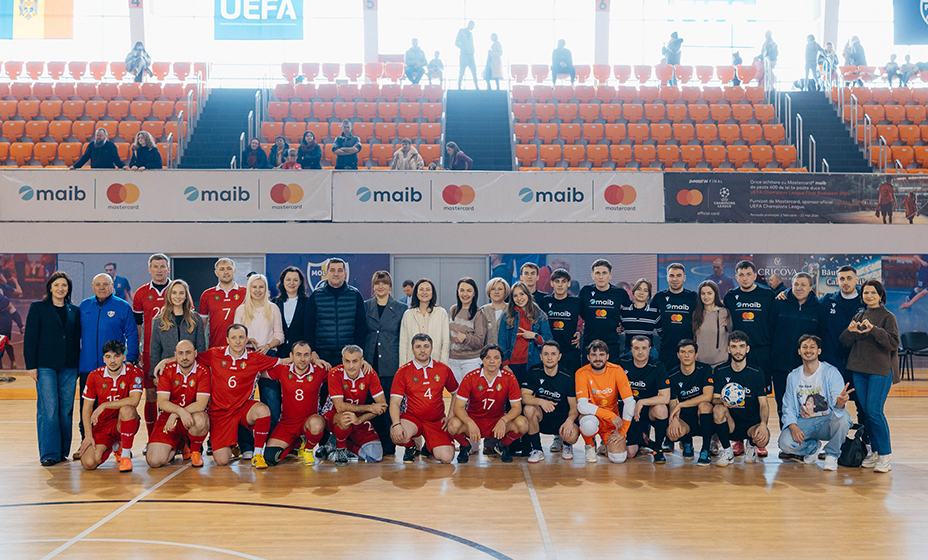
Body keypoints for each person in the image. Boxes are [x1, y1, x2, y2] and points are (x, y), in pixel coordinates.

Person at [156, 323, 284, 468]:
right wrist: (166, 361)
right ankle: (232, 444)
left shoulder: (255, 357)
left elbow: (281, 362)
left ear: (246, 339)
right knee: (221, 461)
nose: (237, 341)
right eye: (233, 337)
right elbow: (190, 357)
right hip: (220, 413)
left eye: (241, 337)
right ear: (227, 339)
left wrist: (303, 360)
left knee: (263, 410)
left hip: (242, 408)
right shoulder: (214, 354)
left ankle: (258, 454)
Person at [839, 280, 899, 474]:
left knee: (874, 412)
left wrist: (874, 329)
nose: (869, 296)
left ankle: (885, 455)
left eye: (873, 292)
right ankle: (874, 451)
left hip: (880, 370)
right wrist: (850, 331)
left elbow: (893, 343)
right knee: (867, 414)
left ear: (880, 295)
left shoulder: (888, 317)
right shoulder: (859, 315)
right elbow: (845, 341)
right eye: (866, 292)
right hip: (859, 370)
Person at [24, 272, 81, 466]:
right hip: (45, 365)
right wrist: (31, 365)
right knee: (49, 409)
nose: (60, 289)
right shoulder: (38, 308)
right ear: (50, 287)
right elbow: (30, 338)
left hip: (69, 366)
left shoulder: (74, 310)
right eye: (56, 285)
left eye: (64, 285)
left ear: (68, 289)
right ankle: (49, 453)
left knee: (65, 410)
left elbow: (76, 339)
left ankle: (62, 452)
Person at [77, 273, 138, 454]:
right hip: (88, 367)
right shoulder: (84, 306)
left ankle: (121, 443)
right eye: (98, 284)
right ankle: (86, 442)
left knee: (118, 407)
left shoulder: (123, 306)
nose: (102, 287)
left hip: (115, 369)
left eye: (106, 284)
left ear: (112, 285)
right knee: (86, 407)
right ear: (92, 286)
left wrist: (131, 358)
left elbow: (132, 334)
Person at [778, 334, 853, 471]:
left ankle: (832, 454)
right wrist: (793, 426)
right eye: (804, 347)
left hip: (826, 421)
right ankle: (812, 448)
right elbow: (788, 405)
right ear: (799, 351)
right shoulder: (793, 376)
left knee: (843, 419)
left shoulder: (831, 372)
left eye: (812, 347)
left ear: (819, 351)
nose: (808, 350)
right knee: (785, 443)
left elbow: (838, 405)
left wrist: (840, 402)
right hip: (804, 422)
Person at [448, 344, 527, 462]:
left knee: (523, 423)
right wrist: (469, 422)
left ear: (501, 361)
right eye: (488, 357)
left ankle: (503, 445)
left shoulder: (509, 377)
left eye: (496, 358)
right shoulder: (471, 377)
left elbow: (517, 408)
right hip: (474, 421)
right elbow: (458, 407)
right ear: (482, 360)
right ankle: (465, 446)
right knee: (452, 425)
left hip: (497, 422)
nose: (492, 361)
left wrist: (504, 420)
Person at [390, 334, 460, 464]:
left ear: (431, 348)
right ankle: (410, 447)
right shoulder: (403, 371)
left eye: (426, 346)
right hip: (412, 419)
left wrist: (450, 416)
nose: (422, 350)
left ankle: (429, 447)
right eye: (418, 347)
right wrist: (396, 424)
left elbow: (456, 393)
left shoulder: (443, 369)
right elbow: (394, 402)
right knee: (398, 434)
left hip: (435, 420)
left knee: (446, 458)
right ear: (412, 349)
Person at [768, 272, 826, 428]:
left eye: (803, 285)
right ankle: (787, 437)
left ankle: (806, 438)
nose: (799, 288)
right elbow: (770, 331)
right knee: (783, 405)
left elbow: (821, 338)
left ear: (811, 287)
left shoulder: (819, 309)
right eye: (796, 284)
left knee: (805, 406)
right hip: (780, 366)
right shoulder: (779, 303)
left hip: (805, 369)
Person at [79, 340, 143, 472]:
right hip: (103, 425)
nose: (112, 360)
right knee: (89, 463)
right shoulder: (94, 376)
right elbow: (86, 408)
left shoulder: (134, 372)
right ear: (103, 359)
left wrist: (105, 405)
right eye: (108, 357)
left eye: (116, 356)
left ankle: (125, 456)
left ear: (124, 357)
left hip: (123, 421)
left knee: (127, 409)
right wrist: (88, 435)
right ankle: (114, 445)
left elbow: (134, 400)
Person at [148, 280, 207, 421]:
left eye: (181, 293)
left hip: (191, 372)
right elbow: (155, 349)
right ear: (169, 295)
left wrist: (202, 372)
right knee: (167, 413)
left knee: (191, 414)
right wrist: (154, 374)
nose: (177, 296)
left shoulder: (195, 319)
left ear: (186, 296)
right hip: (167, 374)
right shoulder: (158, 320)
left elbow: (201, 349)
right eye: (174, 293)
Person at [146, 340, 210, 469]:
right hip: (168, 419)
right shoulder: (167, 370)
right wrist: (179, 412)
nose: (184, 357)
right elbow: (162, 402)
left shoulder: (203, 371)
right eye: (180, 353)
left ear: (195, 353)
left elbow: (200, 405)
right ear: (175, 355)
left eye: (188, 353)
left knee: (202, 419)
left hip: (191, 417)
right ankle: (181, 444)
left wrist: (176, 414)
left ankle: (195, 451)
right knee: (154, 461)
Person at [262, 341, 328, 466]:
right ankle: (297, 443)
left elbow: (341, 373)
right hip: (287, 424)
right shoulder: (282, 369)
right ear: (291, 356)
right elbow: (258, 372)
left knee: (317, 423)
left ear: (311, 356)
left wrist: (363, 363)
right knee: (270, 458)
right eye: (298, 354)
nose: (302, 359)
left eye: (306, 355)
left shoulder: (319, 370)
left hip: (309, 422)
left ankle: (308, 449)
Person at [319, 345, 386, 466]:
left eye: (355, 361)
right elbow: (340, 407)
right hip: (333, 415)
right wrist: (369, 407)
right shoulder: (334, 373)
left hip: (357, 417)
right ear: (342, 361)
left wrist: (359, 420)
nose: (351, 366)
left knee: (375, 456)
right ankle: (341, 449)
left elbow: (382, 405)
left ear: (362, 361)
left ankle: (337, 444)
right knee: (345, 418)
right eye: (347, 361)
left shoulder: (369, 373)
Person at [711, 331, 770, 467]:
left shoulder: (757, 372)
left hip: (751, 424)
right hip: (730, 423)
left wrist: (763, 425)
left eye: (741, 346)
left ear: (747, 349)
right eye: (734, 346)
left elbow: (764, 404)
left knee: (763, 439)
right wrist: (723, 402)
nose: (738, 351)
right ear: (728, 349)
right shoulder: (720, 371)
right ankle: (727, 451)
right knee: (718, 409)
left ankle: (751, 445)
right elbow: (714, 399)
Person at [234, 274, 284, 431]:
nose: (257, 290)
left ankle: (272, 438)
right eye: (254, 287)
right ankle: (246, 441)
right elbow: (235, 335)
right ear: (249, 289)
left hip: (268, 356)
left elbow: (280, 336)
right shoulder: (241, 310)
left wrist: (268, 345)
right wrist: (247, 340)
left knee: (271, 398)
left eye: (261, 287)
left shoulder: (273, 308)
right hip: (246, 356)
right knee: (243, 399)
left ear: (266, 289)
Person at [362, 271, 404, 456]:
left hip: (390, 364)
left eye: (384, 283)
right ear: (373, 286)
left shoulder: (401, 308)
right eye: (377, 283)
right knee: (371, 405)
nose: (381, 286)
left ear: (390, 286)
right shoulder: (365, 306)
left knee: (387, 406)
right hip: (369, 365)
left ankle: (389, 445)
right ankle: (372, 443)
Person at [820, 266, 867, 427]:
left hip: (859, 364)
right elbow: (808, 304)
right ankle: (836, 439)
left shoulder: (865, 302)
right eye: (842, 279)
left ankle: (865, 439)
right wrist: (786, 293)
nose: (845, 282)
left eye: (849, 278)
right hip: (833, 362)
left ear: (856, 280)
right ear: (837, 281)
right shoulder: (827, 300)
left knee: (863, 406)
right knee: (832, 405)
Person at [575, 340, 635, 463]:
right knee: (588, 425)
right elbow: (582, 406)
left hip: (612, 423)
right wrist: (610, 416)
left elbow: (630, 402)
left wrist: (622, 432)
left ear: (607, 356)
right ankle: (590, 445)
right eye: (594, 355)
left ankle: (604, 446)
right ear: (588, 357)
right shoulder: (581, 373)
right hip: (593, 416)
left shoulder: (617, 370)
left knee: (618, 458)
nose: (598, 358)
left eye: (601, 354)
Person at [724, 260, 776, 397]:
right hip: (739, 350)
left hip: (762, 349)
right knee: (739, 391)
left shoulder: (768, 295)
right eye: (741, 275)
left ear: (755, 276)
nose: (745, 278)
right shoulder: (730, 296)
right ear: (736, 277)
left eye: (748, 274)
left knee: (761, 393)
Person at [303, 257, 368, 367]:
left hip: (349, 356)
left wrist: (357, 351)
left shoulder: (355, 295)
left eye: (340, 270)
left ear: (345, 273)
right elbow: (308, 326)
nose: (336, 274)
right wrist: (312, 350)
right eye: (332, 270)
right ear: (326, 273)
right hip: (321, 355)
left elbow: (361, 326)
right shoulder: (316, 296)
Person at [133, 253, 171, 440]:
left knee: (174, 395)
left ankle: (173, 439)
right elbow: (137, 326)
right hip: (150, 352)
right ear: (149, 269)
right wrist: (138, 350)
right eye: (155, 266)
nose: (159, 270)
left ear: (168, 269)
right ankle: (152, 439)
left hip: (172, 352)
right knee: (150, 395)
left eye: (162, 266)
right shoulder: (141, 293)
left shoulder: (177, 290)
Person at [521, 341, 579, 462]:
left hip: (561, 419)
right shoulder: (534, 371)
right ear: (541, 356)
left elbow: (574, 406)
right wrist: (541, 402)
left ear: (559, 357)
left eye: (553, 354)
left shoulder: (568, 376)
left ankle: (567, 445)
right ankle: (537, 449)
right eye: (546, 354)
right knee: (529, 409)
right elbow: (524, 396)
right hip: (542, 418)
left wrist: (569, 422)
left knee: (572, 435)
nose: (549, 358)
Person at [620, 336, 670, 464]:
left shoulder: (657, 366)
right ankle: (643, 439)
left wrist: (642, 402)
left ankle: (658, 449)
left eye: (644, 348)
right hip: (627, 410)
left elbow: (665, 397)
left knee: (661, 409)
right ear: (631, 349)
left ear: (649, 349)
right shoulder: (621, 364)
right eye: (636, 348)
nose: (640, 352)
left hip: (647, 409)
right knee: (630, 453)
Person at [666, 340, 715, 465]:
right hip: (685, 418)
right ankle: (686, 442)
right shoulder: (672, 375)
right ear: (678, 355)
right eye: (683, 352)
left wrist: (681, 404)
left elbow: (707, 396)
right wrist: (674, 419)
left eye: (690, 352)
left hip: (702, 416)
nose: (686, 355)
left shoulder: (704, 369)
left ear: (696, 355)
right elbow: (672, 403)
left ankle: (705, 449)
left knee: (705, 406)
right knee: (672, 434)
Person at [498, 281, 553, 385]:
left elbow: (549, 340)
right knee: (513, 395)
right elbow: (501, 342)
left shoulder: (539, 315)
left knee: (530, 394)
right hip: (511, 365)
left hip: (533, 364)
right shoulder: (507, 316)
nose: (519, 298)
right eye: (515, 296)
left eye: (522, 294)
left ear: (528, 294)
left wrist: (534, 336)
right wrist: (505, 364)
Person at [580, 259, 631, 364]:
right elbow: (580, 312)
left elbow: (630, 310)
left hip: (611, 344)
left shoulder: (619, 292)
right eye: (597, 273)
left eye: (604, 273)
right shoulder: (585, 291)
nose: (601, 277)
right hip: (589, 343)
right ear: (592, 275)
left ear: (610, 275)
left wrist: (622, 324)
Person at [653, 263, 698, 372]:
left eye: (678, 275)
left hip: (687, 350)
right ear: (667, 277)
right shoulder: (659, 297)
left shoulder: (693, 297)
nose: (675, 279)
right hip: (666, 349)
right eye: (672, 275)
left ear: (684, 278)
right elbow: (650, 316)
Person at [399, 278, 450, 366]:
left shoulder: (441, 313)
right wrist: (403, 367)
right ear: (416, 292)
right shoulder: (408, 314)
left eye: (428, 289)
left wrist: (443, 365)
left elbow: (445, 342)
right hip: (412, 363)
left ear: (432, 293)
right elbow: (404, 343)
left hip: (435, 362)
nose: (424, 292)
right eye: (421, 289)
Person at [199, 258, 247, 349]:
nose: (226, 272)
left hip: (241, 347)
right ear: (216, 273)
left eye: (229, 268)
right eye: (222, 269)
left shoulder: (246, 293)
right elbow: (202, 325)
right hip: (215, 347)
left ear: (234, 270)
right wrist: (200, 347)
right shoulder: (207, 295)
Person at [542, 268, 582, 375]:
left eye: (563, 281)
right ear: (551, 283)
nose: (560, 285)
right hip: (550, 353)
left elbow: (590, 319)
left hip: (570, 352)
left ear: (568, 284)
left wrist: (580, 333)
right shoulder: (545, 301)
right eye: (557, 281)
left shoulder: (576, 302)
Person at [448, 277, 488, 383]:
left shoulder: (479, 314)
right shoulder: (453, 310)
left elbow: (480, 341)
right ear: (458, 292)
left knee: (468, 391)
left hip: (471, 361)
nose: (465, 294)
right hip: (452, 359)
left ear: (474, 293)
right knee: (454, 391)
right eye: (462, 290)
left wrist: (465, 338)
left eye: (469, 290)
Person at [692, 280, 732, 368]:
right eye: (703, 293)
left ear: (715, 294)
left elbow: (731, 333)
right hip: (700, 364)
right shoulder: (696, 314)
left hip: (721, 363)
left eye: (709, 293)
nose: (706, 297)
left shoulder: (724, 312)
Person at [272, 266, 308, 359]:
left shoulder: (307, 302)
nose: (291, 283)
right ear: (283, 282)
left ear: (300, 282)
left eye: (295, 280)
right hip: (279, 351)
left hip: (300, 353)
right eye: (288, 279)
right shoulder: (275, 302)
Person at [619, 278, 660, 359]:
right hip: (629, 350)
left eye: (645, 290)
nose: (641, 293)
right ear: (634, 291)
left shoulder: (654, 312)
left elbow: (662, 333)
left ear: (648, 295)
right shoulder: (624, 311)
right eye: (639, 289)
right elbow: (618, 328)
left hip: (649, 351)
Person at [481, 277, 509, 347]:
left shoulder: (511, 309)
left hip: (508, 352)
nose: (496, 292)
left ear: (505, 292)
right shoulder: (483, 311)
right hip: (488, 351)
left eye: (500, 289)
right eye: (493, 289)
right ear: (489, 292)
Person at [455, 21, 478, 89]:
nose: (473, 27)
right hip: (464, 55)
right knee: (462, 71)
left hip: (471, 55)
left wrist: (473, 50)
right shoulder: (461, 31)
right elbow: (456, 42)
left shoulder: (471, 34)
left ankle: (476, 86)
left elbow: (471, 43)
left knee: (474, 71)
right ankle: (459, 86)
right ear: (469, 24)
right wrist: (463, 48)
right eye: (473, 26)